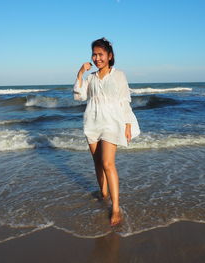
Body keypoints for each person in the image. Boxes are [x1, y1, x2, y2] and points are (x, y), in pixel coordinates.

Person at [73, 37, 140, 226]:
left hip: (112, 122)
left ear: (109, 56)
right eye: (94, 54)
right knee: (97, 162)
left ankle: (116, 208)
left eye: (100, 54)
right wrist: (80, 73)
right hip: (92, 121)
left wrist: (127, 124)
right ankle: (103, 193)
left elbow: (124, 100)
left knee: (108, 163)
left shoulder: (119, 75)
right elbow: (79, 96)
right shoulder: (91, 78)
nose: (97, 58)